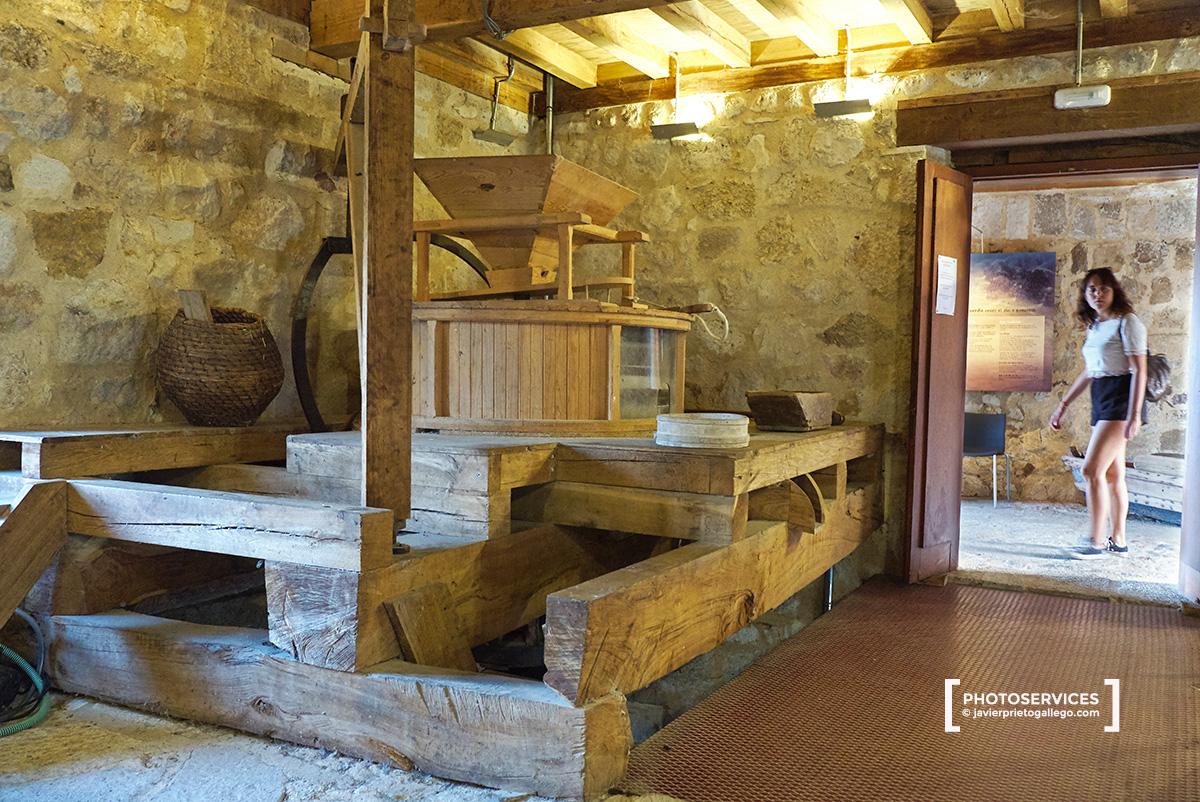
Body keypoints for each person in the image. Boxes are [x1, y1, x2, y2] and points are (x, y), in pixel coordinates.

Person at [1049, 267, 1148, 558]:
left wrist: (1134, 415)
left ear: (1114, 291)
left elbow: (1139, 370)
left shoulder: (1128, 322)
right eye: (1092, 289)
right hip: (1101, 398)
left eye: (1104, 288)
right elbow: (1090, 371)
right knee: (1114, 475)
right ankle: (1118, 540)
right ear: (1085, 294)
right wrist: (1063, 404)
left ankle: (1095, 540)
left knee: (1090, 470)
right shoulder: (1094, 326)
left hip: (1121, 399)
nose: (1098, 294)